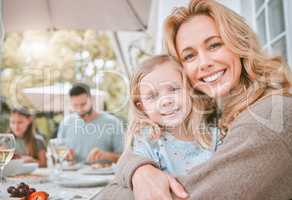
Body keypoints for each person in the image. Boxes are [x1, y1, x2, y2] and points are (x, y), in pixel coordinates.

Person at [96, 0, 292, 199]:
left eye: (214, 45)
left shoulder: (270, 115)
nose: (205, 63)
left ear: (239, 43)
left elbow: (184, 195)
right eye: (189, 56)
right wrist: (139, 170)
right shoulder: (215, 114)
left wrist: (131, 179)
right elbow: (134, 153)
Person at [128, 55, 218, 176]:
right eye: (153, 96)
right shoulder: (148, 141)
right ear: (142, 107)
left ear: (190, 90)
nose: (166, 101)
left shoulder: (215, 135)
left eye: (173, 89)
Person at [57, 82, 124, 163]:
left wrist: (105, 155)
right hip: (71, 174)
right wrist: (65, 154)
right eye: (75, 105)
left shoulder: (113, 123)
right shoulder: (66, 123)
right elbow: (59, 151)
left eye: (83, 104)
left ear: (91, 99)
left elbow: (124, 158)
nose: (80, 109)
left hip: (102, 174)